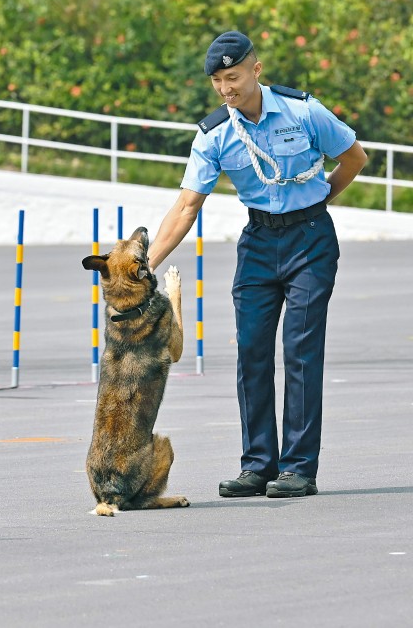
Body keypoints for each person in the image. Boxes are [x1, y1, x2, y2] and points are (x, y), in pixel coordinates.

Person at [147, 31, 367, 500]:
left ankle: (299, 468)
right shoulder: (215, 134)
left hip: (310, 240)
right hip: (259, 243)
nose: (227, 88)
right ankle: (259, 464)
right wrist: (146, 265)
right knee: (251, 351)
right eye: (218, 81)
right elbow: (186, 207)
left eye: (234, 77)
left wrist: (319, 200)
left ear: (256, 69)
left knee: (301, 350)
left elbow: (354, 158)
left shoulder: (302, 111)